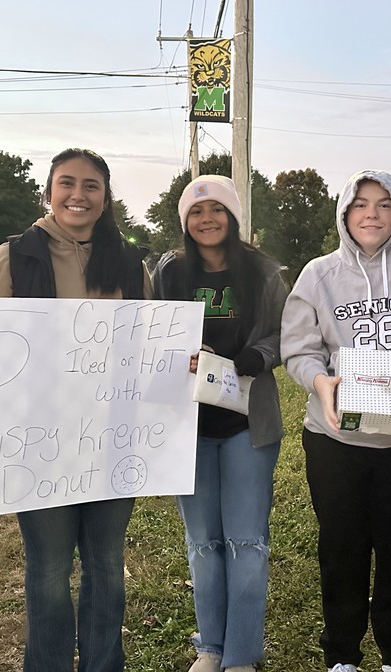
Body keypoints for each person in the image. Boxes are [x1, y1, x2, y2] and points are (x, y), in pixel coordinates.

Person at [0, 148, 150, 672]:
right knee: (47, 571)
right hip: (38, 446)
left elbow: (149, 350)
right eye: (67, 183)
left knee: (108, 568)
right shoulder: (15, 256)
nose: (78, 194)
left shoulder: (130, 263)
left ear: (105, 197)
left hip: (112, 442)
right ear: (49, 191)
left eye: (91, 185)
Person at [280, 170, 391, 672]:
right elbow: (298, 349)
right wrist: (320, 383)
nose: (371, 214)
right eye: (360, 205)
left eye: (383, 205)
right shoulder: (317, 275)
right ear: (344, 213)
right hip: (337, 442)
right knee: (342, 550)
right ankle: (342, 657)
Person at [151, 175, 288, 672]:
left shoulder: (265, 272)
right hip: (189, 425)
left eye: (216, 210)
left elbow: (282, 333)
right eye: (196, 212)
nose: (206, 220)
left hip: (247, 423)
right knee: (203, 542)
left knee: (247, 541)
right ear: (185, 221)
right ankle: (210, 646)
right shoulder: (168, 273)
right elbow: (152, 330)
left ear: (232, 217)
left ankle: (241, 655)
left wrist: (254, 356)